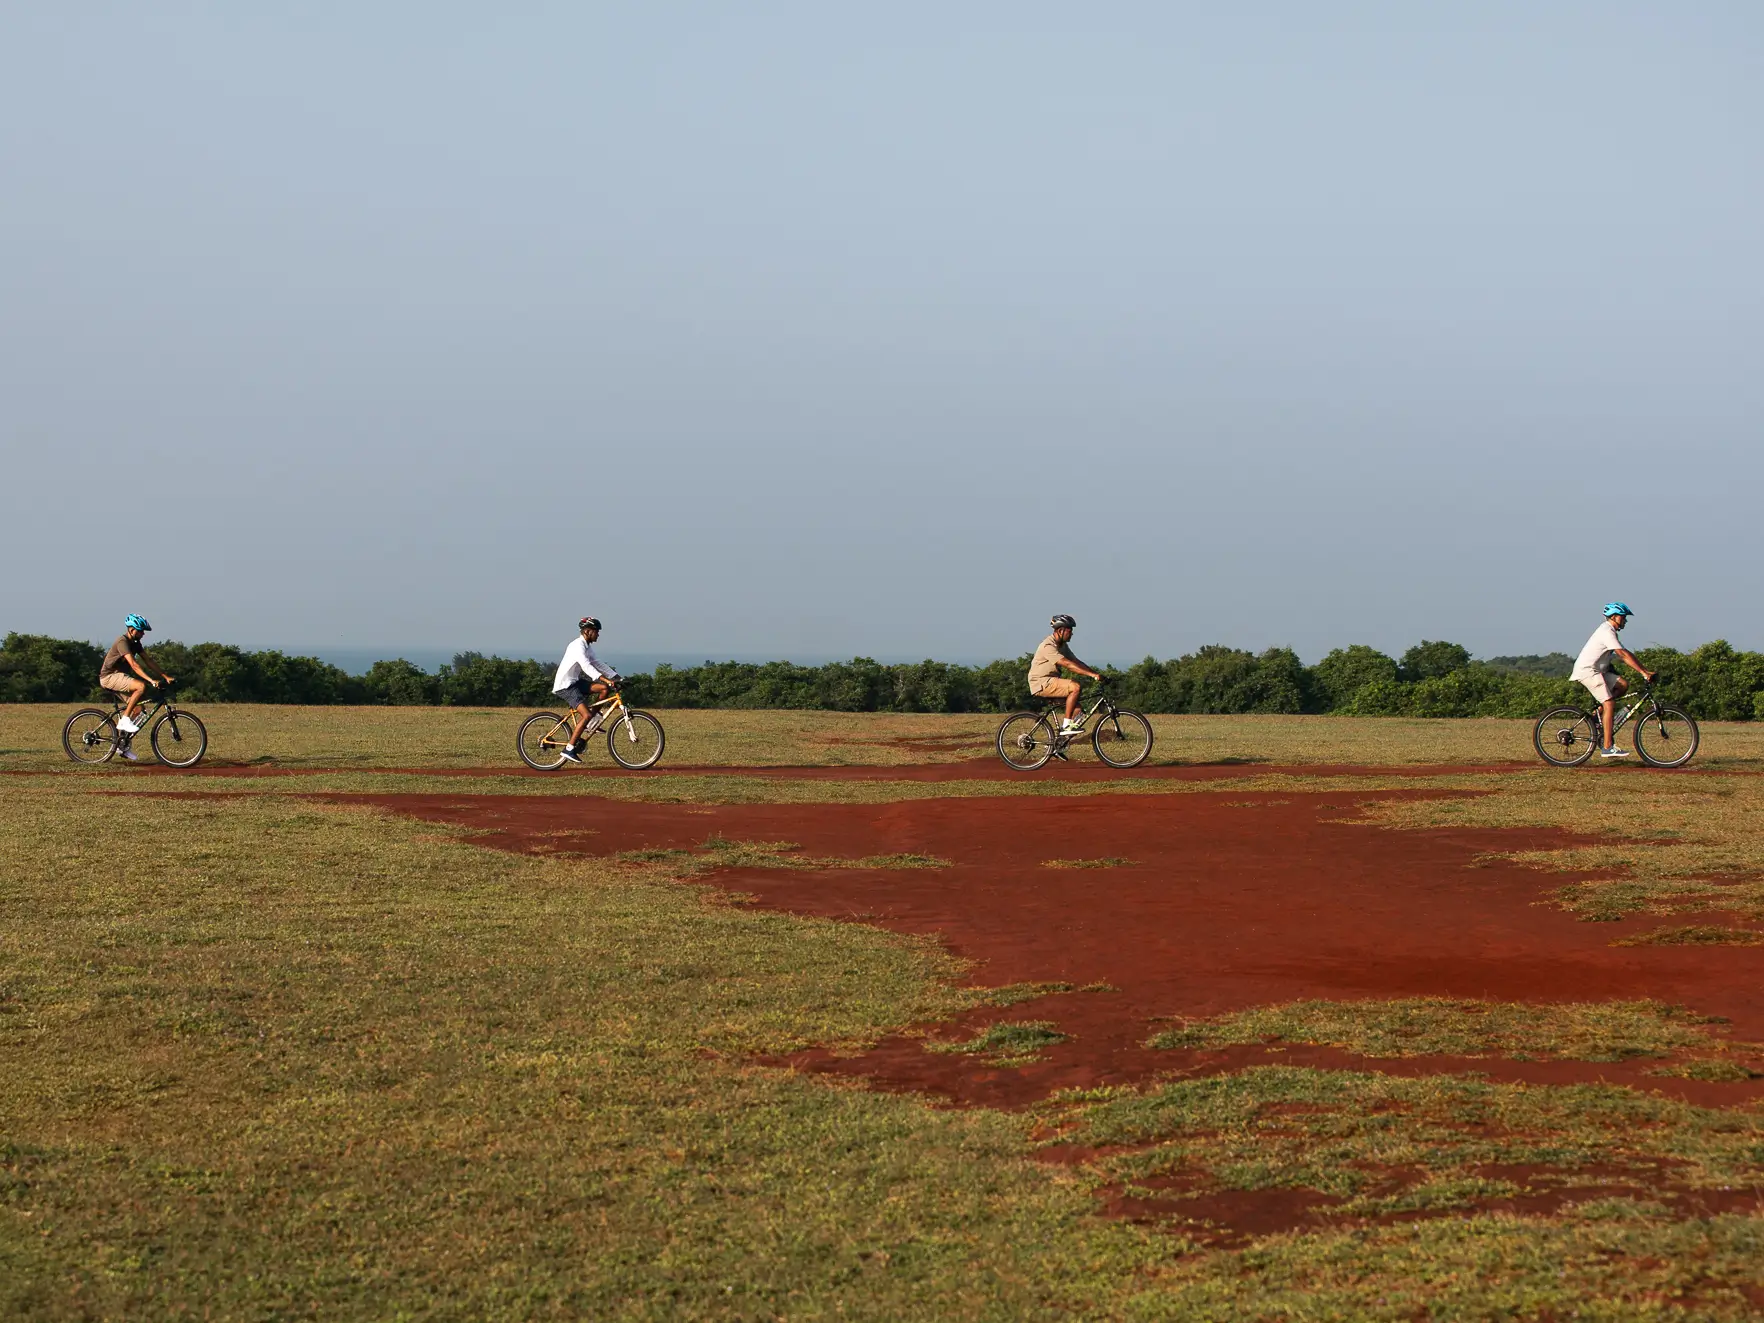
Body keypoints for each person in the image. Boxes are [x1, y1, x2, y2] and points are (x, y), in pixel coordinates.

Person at [1571, 602, 1653, 759]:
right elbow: (1622, 654)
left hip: (1598, 671)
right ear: (1614, 617)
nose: (1625, 621)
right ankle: (1607, 747)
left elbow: (1626, 653)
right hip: (1588, 671)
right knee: (1609, 703)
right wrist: (1643, 672)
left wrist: (1645, 670)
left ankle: (1597, 718)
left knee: (1623, 685)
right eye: (1623, 617)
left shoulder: (1610, 631)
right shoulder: (1606, 631)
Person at [98, 614, 175, 761]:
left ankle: (122, 746)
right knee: (140, 686)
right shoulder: (122, 642)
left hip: (119, 677)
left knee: (138, 709)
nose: (143, 634)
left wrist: (164, 676)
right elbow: (133, 664)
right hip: (109, 677)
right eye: (141, 631)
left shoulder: (135, 643)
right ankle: (125, 720)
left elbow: (148, 660)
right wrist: (151, 680)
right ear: (132, 630)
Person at [552, 616, 621, 763]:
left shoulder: (587, 646)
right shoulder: (577, 646)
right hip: (566, 686)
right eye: (596, 631)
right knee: (586, 715)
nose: (598, 635)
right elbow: (586, 666)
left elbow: (597, 663)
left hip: (575, 682)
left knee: (604, 689)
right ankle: (569, 749)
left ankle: (592, 722)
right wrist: (604, 678)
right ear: (588, 631)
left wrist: (616, 677)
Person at [1028, 614, 1104, 734]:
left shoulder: (1063, 646)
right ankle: (1067, 724)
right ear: (1061, 630)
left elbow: (1076, 662)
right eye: (1070, 630)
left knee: (1078, 710)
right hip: (1042, 682)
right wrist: (1091, 676)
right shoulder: (1048, 645)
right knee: (1075, 687)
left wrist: (1096, 673)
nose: (1072, 633)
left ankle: (1059, 743)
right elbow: (1067, 664)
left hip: (1051, 681)